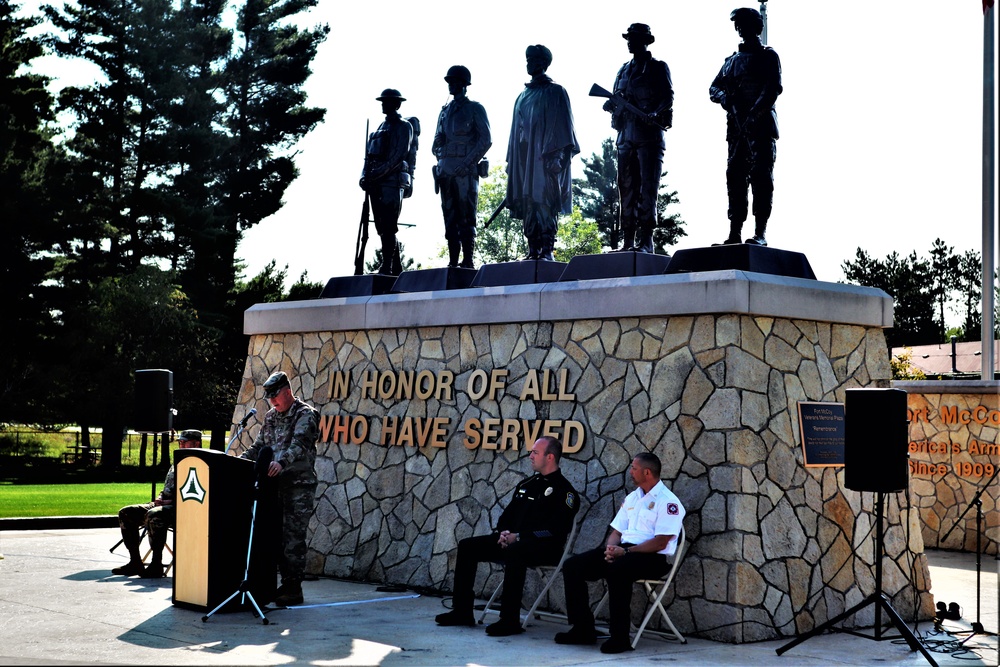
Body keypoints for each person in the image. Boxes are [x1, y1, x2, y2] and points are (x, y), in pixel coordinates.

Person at [435, 436, 579, 637]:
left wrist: (518, 537)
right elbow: (506, 517)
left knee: (515, 551)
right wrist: (503, 532)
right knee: (468, 546)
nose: (530, 456)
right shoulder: (526, 484)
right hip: (512, 541)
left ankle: (509, 620)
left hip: (544, 548)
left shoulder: (564, 492)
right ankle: (462, 611)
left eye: (535, 453)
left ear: (550, 457)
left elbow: (556, 530)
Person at [554, 452, 685, 654]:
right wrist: (610, 549)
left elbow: (661, 542)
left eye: (634, 468)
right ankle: (583, 629)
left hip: (652, 558)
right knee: (573, 566)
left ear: (647, 472)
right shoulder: (632, 497)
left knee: (617, 569)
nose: (630, 472)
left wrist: (625, 551)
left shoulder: (668, 501)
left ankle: (620, 637)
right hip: (625, 552)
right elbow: (616, 532)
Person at [239, 370, 319, 607]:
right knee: (274, 535)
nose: (273, 402)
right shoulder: (272, 417)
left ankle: (294, 587)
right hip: (273, 486)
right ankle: (281, 584)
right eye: (270, 398)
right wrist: (237, 462)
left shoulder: (306, 415)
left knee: (292, 536)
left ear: (288, 391)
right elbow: (259, 446)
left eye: (276, 396)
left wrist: (281, 462)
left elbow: (299, 446)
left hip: (298, 486)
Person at [709, 7, 782, 247]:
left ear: (756, 27)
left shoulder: (768, 57)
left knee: (761, 179)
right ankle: (734, 232)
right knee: (735, 179)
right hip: (736, 131)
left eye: (744, 24)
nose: (740, 29)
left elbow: (772, 89)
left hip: (760, 127)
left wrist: (754, 114)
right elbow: (714, 88)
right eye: (737, 25)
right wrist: (725, 99)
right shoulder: (730, 62)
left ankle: (760, 233)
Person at [505, 45, 580, 261]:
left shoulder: (555, 91)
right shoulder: (521, 96)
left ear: (544, 64)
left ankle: (547, 249)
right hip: (525, 161)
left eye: (535, 60)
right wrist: (513, 164)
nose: (530, 63)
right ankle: (532, 250)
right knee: (528, 202)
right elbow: (515, 132)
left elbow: (564, 127)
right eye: (528, 59)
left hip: (546, 159)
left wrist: (556, 156)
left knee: (544, 202)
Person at [605, 23, 673, 254]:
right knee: (626, 190)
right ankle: (627, 242)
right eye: (628, 38)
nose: (629, 42)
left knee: (647, 189)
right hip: (626, 137)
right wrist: (611, 105)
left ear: (646, 41)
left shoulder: (657, 67)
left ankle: (646, 241)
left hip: (649, 138)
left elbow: (668, 97)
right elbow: (616, 97)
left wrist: (653, 113)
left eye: (634, 38)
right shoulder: (623, 70)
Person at [112, 429, 203, 578]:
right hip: (164, 504)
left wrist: (170, 501)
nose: (181, 445)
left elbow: (196, 496)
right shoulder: (178, 461)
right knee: (126, 512)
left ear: (196, 443)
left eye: (184, 442)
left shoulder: (200, 464)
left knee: (155, 515)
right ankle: (135, 562)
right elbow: (168, 487)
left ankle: (156, 564)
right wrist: (160, 497)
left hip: (182, 509)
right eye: (180, 442)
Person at [432, 65, 492, 269]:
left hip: (465, 172)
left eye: (455, 82)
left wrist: (465, 163)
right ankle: (452, 261)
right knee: (449, 216)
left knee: (466, 217)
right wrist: (444, 161)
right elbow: (436, 142)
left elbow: (486, 140)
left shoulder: (475, 108)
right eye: (449, 82)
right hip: (446, 171)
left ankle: (467, 260)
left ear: (465, 85)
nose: (451, 85)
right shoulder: (444, 112)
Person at [360, 88, 415, 275]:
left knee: (389, 225)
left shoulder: (404, 126)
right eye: (383, 102)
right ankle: (395, 266)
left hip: (392, 181)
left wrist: (379, 173)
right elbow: (368, 158)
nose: (384, 105)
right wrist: (363, 176)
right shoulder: (378, 129)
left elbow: (400, 155)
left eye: (388, 102)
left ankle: (387, 265)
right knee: (381, 227)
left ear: (396, 104)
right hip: (376, 183)